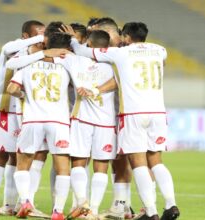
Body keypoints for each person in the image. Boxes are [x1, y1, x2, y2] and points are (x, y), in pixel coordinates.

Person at [70, 22, 180, 220]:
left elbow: (87, 52)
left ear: (127, 37)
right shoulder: (160, 50)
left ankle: (151, 211)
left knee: (138, 163)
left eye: (122, 35)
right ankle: (171, 204)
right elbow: (160, 62)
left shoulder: (120, 53)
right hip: (157, 111)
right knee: (156, 161)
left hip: (133, 114)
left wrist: (74, 41)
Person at [0, 20, 45, 215]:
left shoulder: (40, 54)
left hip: (24, 110)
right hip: (3, 107)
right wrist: (40, 38)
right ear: (26, 36)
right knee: (0, 153)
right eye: (39, 33)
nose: (43, 36)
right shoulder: (15, 49)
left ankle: (9, 204)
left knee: (17, 156)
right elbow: (6, 47)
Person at [7, 32, 72, 220]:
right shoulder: (66, 66)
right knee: (62, 167)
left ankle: (26, 200)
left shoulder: (28, 65)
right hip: (58, 121)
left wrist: (23, 96)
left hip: (32, 120)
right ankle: (58, 211)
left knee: (23, 163)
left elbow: (12, 89)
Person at [53, 30, 117, 219]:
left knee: (79, 163)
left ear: (88, 43)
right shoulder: (114, 63)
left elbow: (54, 55)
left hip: (81, 119)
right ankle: (94, 210)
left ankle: (82, 203)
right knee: (101, 165)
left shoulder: (74, 60)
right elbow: (118, 82)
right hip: (106, 121)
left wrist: (71, 40)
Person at [82, 17, 135, 219]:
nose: (94, 38)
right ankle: (121, 205)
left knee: (122, 159)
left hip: (121, 111)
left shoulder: (121, 52)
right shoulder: (107, 53)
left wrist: (97, 89)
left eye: (96, 32)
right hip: (106, 111)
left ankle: (122, 204)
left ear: (110, 31)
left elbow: (120, 80)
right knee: (113, 158)